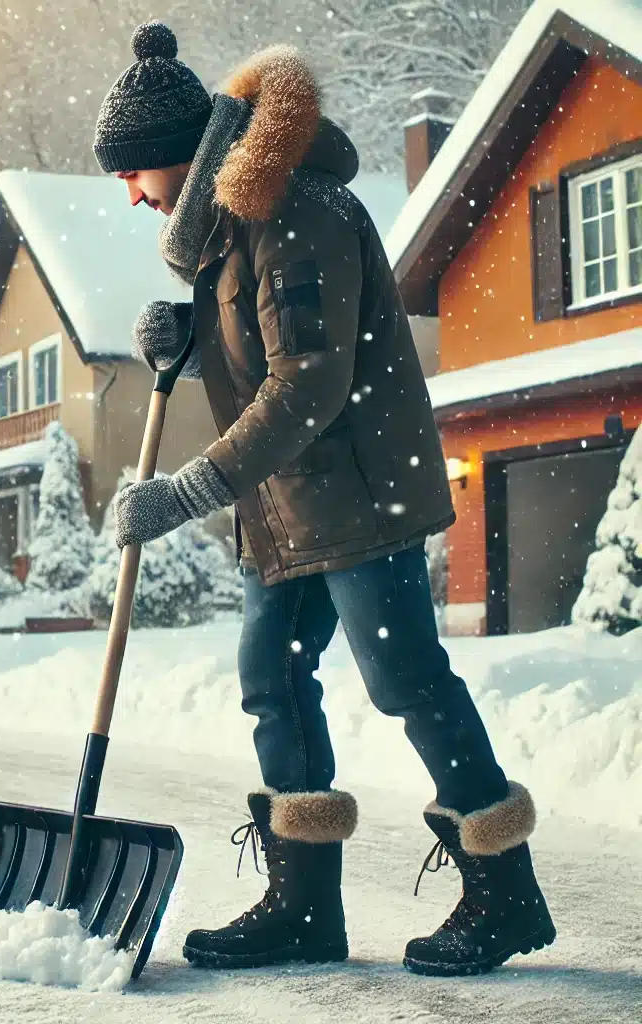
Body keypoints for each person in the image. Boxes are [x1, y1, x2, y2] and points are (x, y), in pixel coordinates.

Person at [93, 21, 555, 977]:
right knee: (273, 684)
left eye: (133, 173)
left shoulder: (295, 207)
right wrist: (188, 333)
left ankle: (506, 894)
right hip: (285, 510)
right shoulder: (233, 229)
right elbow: (259, 336)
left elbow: (308, 377)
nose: (128, 195)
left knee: (405, 680)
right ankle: (305, 906)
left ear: (175, 158)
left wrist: (190, 489)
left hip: (355, 498)